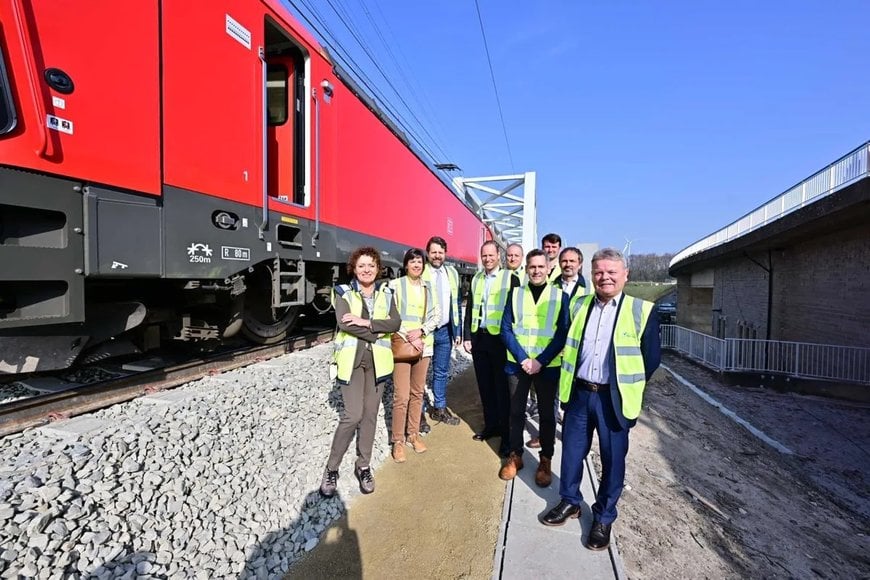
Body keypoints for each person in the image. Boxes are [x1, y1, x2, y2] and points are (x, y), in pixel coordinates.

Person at [540, 248, 661, 552]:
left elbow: (651, 359)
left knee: (612, 462)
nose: (604, 277)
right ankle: (570, 501)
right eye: (598, 272)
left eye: (611, 272)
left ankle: (604, 517)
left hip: (613, 400)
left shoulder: (641, 310)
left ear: (625, 275)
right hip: (580, 394)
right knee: (570, 454)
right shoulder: (579, 303)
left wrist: (624, 386)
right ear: (591, 274)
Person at [320, 247, 401, 498]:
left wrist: (366, 323)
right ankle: (331, 469)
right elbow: (344, 322)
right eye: (361, 266)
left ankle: (363, 465)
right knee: (352, 415)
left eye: (371, 265)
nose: (367, 270)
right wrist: (379, 332)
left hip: (377, 364)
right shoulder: (342, 292)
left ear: (378, 269)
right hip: (352, 363)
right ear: (353, 269)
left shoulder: (387, 294)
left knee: (369, 416)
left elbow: (395, 323)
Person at [498, 249, 569, 485]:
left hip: (547, 366)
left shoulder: (560, 297)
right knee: (516, 413)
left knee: (548, 415)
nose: (536, 271)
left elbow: (562, 333)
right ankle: (515, 455)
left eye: (541, 266)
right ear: (526, 269)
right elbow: (505, 329)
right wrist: (523, 359)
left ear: (548, 268)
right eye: (532, 267)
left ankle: (545, 459)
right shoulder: (515, 294)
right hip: (518, 364)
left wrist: (540, 361)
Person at [462, 241, 517, 455]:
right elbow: (471, 309)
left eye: (491, 255)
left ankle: (506, 435)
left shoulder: (509, 278)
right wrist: (467, 336)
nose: (487, 259)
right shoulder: (476, 278)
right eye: (484, 255)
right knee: (485, 386)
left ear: (498, 256)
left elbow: (514, 310)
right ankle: (491, 426)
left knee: (502, 389)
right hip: (480, 338)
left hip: (500, 340)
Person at [389, 248, 441, 463]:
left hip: (424, 347)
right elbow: (389, 316)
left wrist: (421, 332)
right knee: (401, 396)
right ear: (406, 264)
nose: (416, 265)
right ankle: (398, 441)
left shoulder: (429, 287)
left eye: (420, 262)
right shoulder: (395, 285)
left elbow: (436, 314)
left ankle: (413, 434)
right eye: (413, 262)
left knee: (417, 393)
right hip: (403, 346)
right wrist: (410, 337)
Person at [421, 236, 463, 427]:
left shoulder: (452, 273)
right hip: (425, 331)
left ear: (445, 253)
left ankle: (439, 408)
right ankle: (419, 413)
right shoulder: (421, 271)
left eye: (440, 252)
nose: (437, 256)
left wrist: (458, 330)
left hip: (445, 331)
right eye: (434, 252)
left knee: (441, 371)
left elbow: (456, 301)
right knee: (419, 375)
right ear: (428, 253)